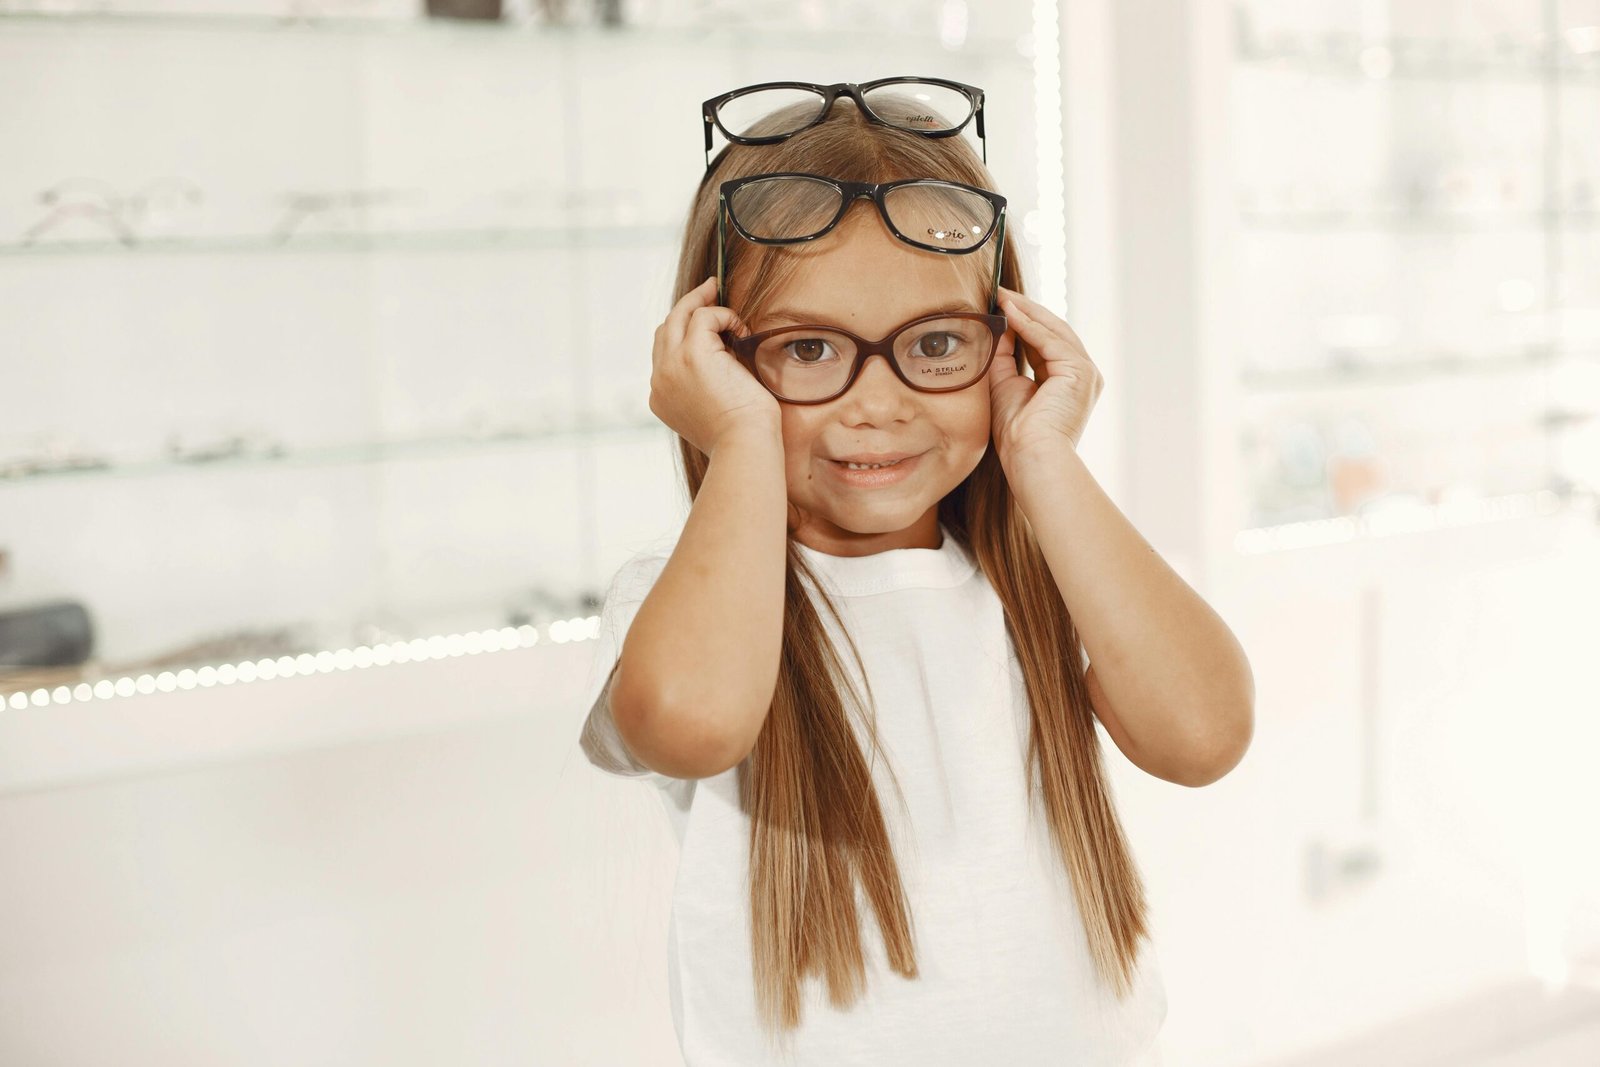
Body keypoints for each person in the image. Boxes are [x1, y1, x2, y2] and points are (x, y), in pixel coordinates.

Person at [577, 77, 1255, 1065]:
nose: (879, 402)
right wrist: (739, 441)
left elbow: (1202, 734)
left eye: (935, 344)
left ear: (1007, 343)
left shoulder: (1029, 578)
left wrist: (1043, 455)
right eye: (807, 348)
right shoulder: (689, 600)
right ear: (716, 357)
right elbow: (690, 722)